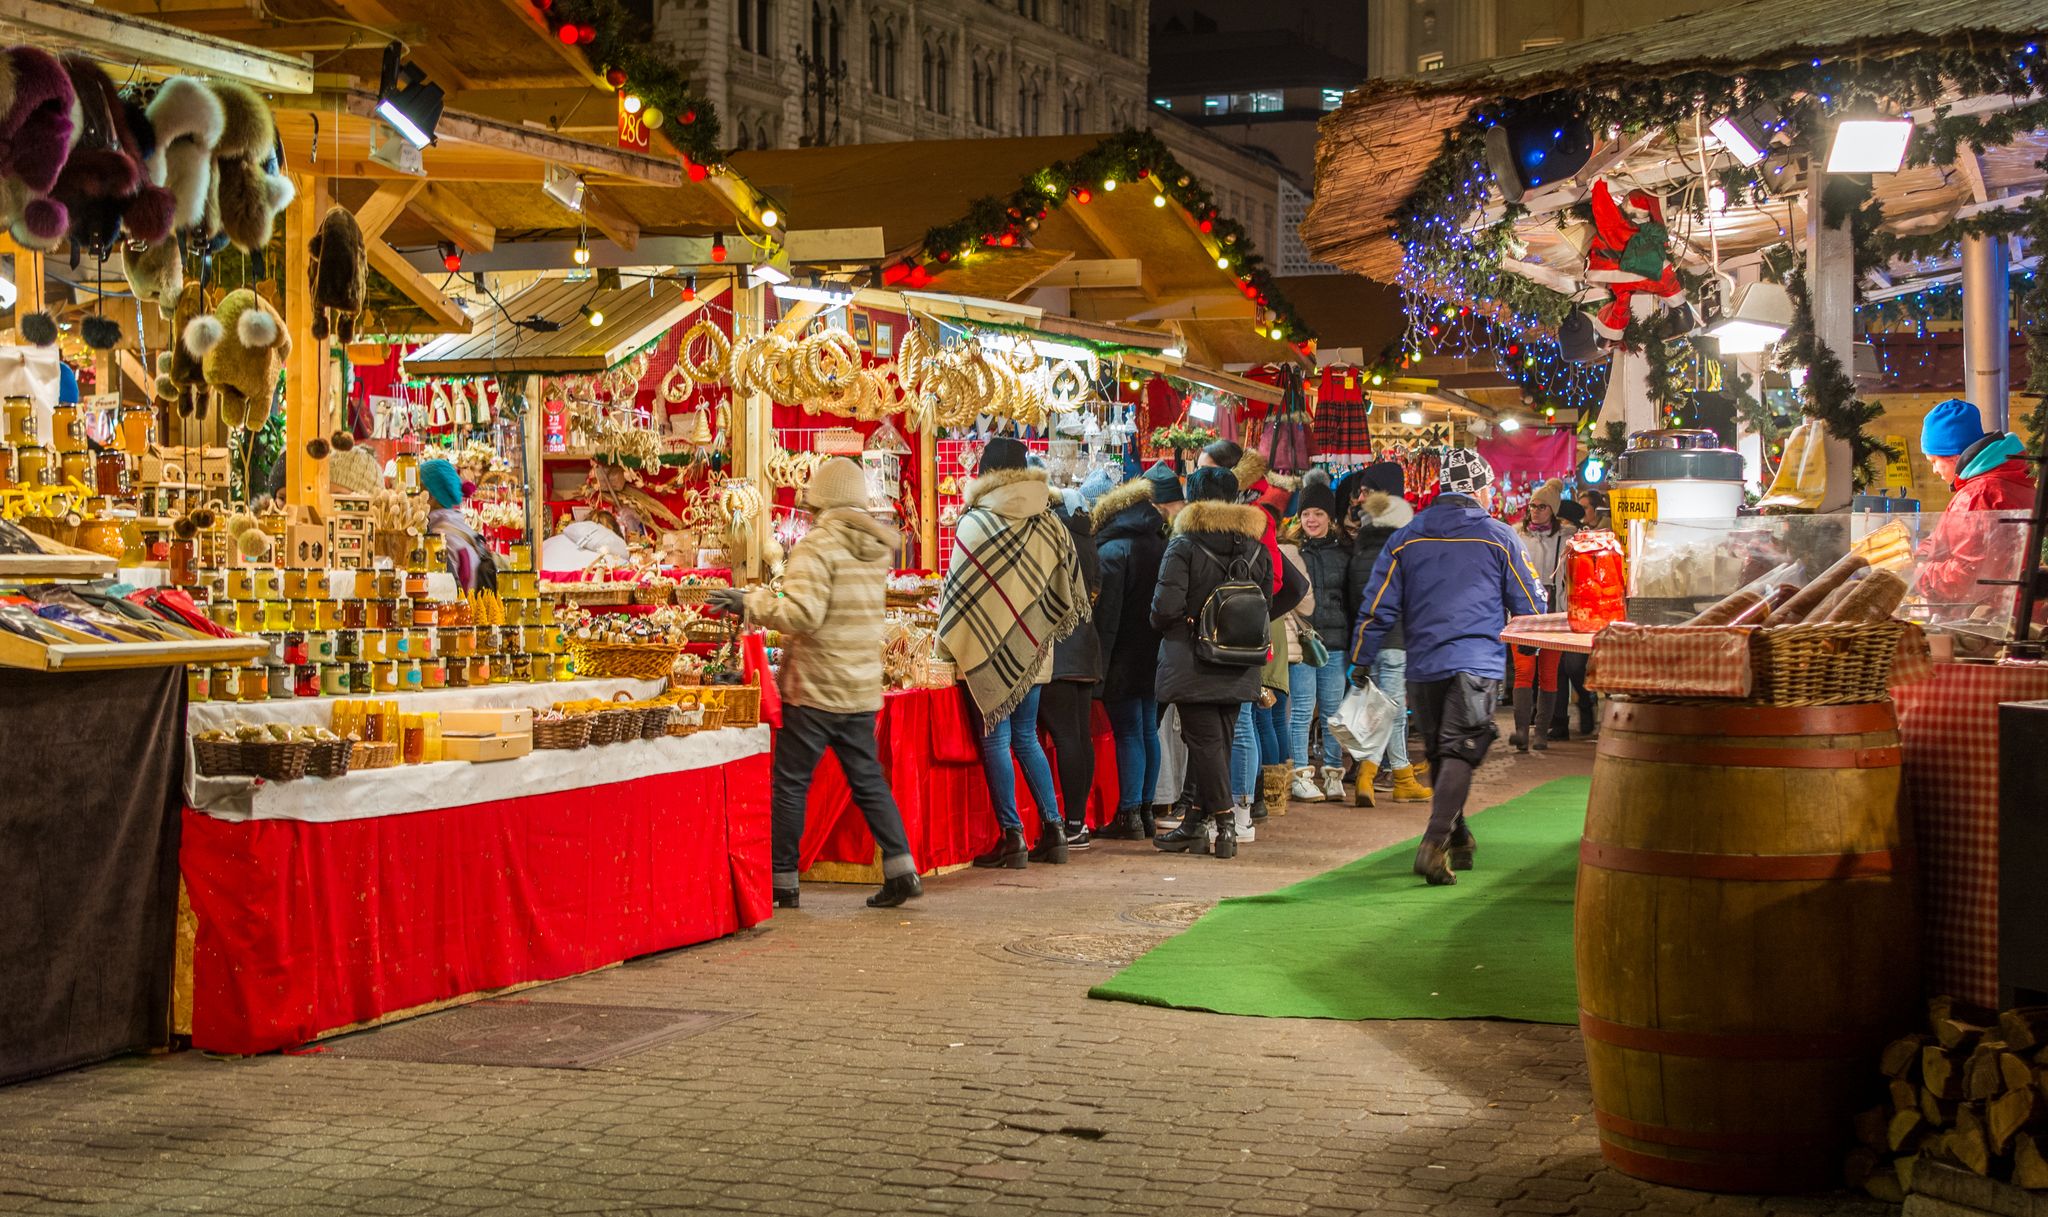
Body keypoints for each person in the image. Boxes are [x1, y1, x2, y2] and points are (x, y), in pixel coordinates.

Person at [706, 458, 919, 910]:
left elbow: (801, 613)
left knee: (791, 783)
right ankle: (902, 868)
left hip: (815, 686)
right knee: (868, 781)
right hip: (859, 686)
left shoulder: (817, 546)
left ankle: (782, 880)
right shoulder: (873, 548)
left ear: (821, 500)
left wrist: (750, 602)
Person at [1352, 449, 1545, 886]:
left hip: (1423, 663)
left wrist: (1361, 658)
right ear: (1477, 489)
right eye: (1487, 487)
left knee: (1441, 748)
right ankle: (1434, 841)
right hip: (1476, 661)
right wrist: (1529, 646)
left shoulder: (1406, 536)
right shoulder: (1499, 535)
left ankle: (1458, 836)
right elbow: (1531, 601)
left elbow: (1377, 604)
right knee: (1460, 748)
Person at [937, 437, 1088, 870]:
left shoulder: (974, 523)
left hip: (986, 650)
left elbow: (956, 596)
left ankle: (1013, 836)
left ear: (985, 474)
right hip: (1034, 649)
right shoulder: (1050, 521)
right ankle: (1055, 829)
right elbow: (1067, 585)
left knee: (998, 740)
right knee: (1026, 738)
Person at [1151, 467, 1274, 860]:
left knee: (1204, 743)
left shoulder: (1184, 545)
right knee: (1215, 742)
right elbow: (1267, 603)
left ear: (1195, 498)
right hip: (1241, 661)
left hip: (1193, 660)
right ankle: (1193, 823)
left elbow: (1164, 609)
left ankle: (1224, 825)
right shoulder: (1256, 547)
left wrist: (1185, 625)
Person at [1091, 469, 1171, 840]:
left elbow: (1107, 618)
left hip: (1123, 655)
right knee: (1146, 730)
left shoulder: (1113, 548)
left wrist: (1100, 668)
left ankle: (1129, 815)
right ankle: (1145, 811)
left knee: (1129, 733)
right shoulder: (1158, 541)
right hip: (1154, 652)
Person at [1349, 462, 1430, 806]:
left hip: (1367, 638)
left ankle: (1395, 774)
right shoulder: (1405, 544)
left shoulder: (1362, 542)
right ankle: (1377, 776)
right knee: (1391, 711)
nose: (1360, 497)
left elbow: (1356, 594)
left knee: (1382, 708)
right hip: (1395, 639)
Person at [1914, 399, 2038, 617]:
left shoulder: (1976, 496)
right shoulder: (2009, 481)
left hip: (1988, 622)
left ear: (1953, 457)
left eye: (1933, 461)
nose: (1934, 470)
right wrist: (1921, 552)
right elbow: (1962, 543)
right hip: (2021, 613)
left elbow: (1965, 576)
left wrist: (1920, 575)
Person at [1286, 470, 1365, 803]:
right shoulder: (1292, 550)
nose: (1311, 520)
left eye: (1318, 513)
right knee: (1302, 711)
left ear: (1329, 517)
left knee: (1333, 712)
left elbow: (1352, 597)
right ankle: (1301, 775)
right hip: (1303, 643)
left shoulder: (1344, 552)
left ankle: (1333, 773)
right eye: (1306, 513)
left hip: (1335, 643)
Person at [1044, 466, 1106, 850]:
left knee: (1068, 737)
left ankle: (1072, 822)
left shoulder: (1053, 537)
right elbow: (1097, 589)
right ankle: (1078, 820)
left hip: (1060, 650)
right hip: (1085, 646)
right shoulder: (1089, 538)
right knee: (1080, 738)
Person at [1508, 478, 1576, 752]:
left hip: (1553, 611)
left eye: (1542, 507)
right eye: (1533, 506)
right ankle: (1522, 732)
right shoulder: (1517, 535)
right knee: (1524, 672)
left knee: (1548, 673)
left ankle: (1541, 733)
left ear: (1553, 510)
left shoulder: (1566, 538)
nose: (1535, 511)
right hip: (1523, 611)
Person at [1549, 499, 1598, 741]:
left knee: (1574, 666)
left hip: (1580, 612)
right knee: (1559, 667)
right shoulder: (1552, 540)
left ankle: (1586, 701)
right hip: (1558, 610)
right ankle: (1560, 723)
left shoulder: (1581, 543)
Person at [418, 457, 497, 594]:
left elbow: (442, 593)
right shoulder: (461, 528)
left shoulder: (439, 539)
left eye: (417, 491)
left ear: (430, 496)